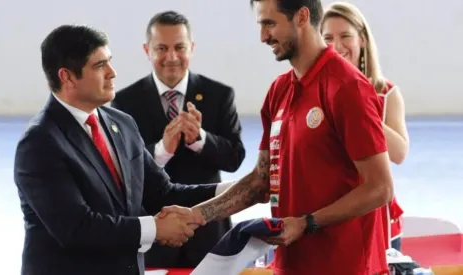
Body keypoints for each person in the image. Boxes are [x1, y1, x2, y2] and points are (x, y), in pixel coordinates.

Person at [160, 0, 395, 274]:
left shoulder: (347, 87)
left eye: (269, 23)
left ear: (302, 17)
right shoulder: (279, 91)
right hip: (291, 265)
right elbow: (261, 183)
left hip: (347, 266)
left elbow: (380, 188)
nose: (263, 37)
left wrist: (307, 222)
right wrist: (195, 216)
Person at [13, 24, 234, 275]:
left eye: (110, 62)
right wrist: (156, 229)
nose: (112, 72)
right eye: (99, 66)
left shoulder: (122, 123)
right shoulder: (40, 143)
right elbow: (77, 228)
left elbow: (162, 192)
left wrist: (238, 189)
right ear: (67, 77)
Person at [111, 11, 246, 268]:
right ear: (146, 50)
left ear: (191, 48)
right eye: (161, 48)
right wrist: (161, 150)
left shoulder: (219, 95)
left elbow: (235, 159)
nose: (171, 57)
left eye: (179, 47)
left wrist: (201, 139)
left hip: (209, 231)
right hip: (154, 235)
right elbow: (122, 171)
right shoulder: (124, 102)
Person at [320, 1, 410, 251]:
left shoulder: (386, 93)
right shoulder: (312, 92)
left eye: (345, 36)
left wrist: (359, 105)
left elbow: (400, 153)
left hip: (377, 221)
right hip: (326, 217)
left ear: (362, 40)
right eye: (327, 37)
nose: (336, 45)